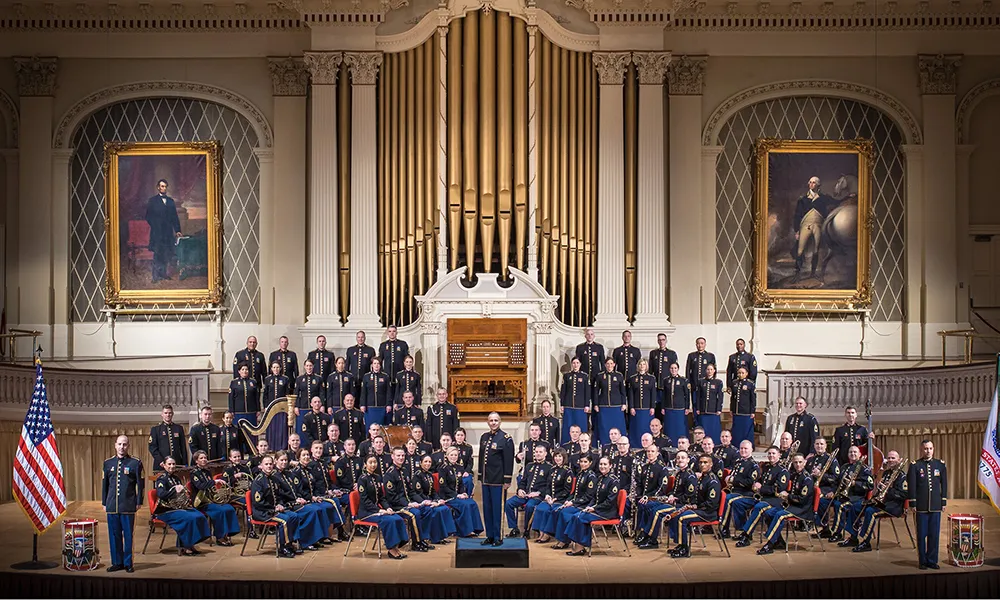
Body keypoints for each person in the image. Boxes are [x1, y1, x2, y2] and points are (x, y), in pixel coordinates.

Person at [841, 450, 908, 553]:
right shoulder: (886, 473)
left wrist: (888, 490)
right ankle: (853, 537)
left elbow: (903, 494)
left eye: (893, 458)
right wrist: (879, 490)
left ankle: (866, 543)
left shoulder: (902, 476)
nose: (890, 460)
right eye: (889, 458)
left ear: (899, 460)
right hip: (881, 503)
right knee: (855, 506)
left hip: (893, 506)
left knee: (870, 512)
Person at [558, 456, 621, 556]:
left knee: (579, 517)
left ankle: (579, 547)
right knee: (577, 516)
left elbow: (610, 502)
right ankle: (579, 546)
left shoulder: (614, 481)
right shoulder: (600, 478)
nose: (602, 466)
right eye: (601, 464)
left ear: (610, 466)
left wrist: (594, 508)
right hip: (597, 509)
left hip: (607, 512)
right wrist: (589, 506)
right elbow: (594, 498)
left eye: (605, 464)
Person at [754, 453, 814, 555]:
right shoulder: (796, 475)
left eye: (800, 462)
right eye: (795, 462)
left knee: (779, 515)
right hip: (792, 505)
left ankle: (770, 544)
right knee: (768, 512)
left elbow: (802, 500)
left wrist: (787, 496)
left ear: (804, 463)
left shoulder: (807, 479)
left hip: (802, 509)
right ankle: (778, 541)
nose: (798, 465)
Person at [637, 450, 697, 549]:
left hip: (683, 505)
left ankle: (652, 540)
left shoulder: (690, 475)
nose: (680, 460)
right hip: (674, 502)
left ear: (688, 460)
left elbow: (689, 496)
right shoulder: (679, 473)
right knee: (649, 506)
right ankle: (645, 533)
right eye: (678, 458)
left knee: (657, 512)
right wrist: (670, 495)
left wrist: (675, 499)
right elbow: (674, 490)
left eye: (683, 458)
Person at [667, 453, 723, 558]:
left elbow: (711, 504)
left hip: (708, 513)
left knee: (682, 518)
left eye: (705, 462)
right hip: (701, 510)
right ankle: (680, 544)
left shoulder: (713, 480)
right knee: (677, 514)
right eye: (701, 462)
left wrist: (695, 507)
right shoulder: (703, 478)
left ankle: (684, 548)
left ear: (711, 464)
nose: (702, 465)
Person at [153, 457, 211, 556]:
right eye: (169, 464)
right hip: (165, 510)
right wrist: (174, 490)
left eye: (173, 464)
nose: (172, 466)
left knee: (199, 515)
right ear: (164, 465)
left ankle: (191, 543)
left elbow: (181, 494)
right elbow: (161, 494)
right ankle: (186, 546)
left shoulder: (176, 478)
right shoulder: (161, 479)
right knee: (189, 519)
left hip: (177, 508)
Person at [102, 435, 143, 573]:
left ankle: (128, 563)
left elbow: (140, 485)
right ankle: (116, 562)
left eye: (124, 444)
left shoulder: (135, 463)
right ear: (115, 445)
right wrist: (104, 502)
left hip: (128, 505)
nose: (122, 447)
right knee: (114, 535)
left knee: (128, 536)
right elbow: (105, 485)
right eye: (119, 444)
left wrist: (139, 502)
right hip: (112, 505)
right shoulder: (108, 463)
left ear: (128, 446)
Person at [734, 447, 789, 548]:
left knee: (759, 507)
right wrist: (757, 483)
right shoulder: (766, 467)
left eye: (773, 453)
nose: (771, 456)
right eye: (769, 453)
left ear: (779, 455)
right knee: (738, 502)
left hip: (774, 500)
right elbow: (759, 479)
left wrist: (761, 488)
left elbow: (778, 489)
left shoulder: (782, 471)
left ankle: (746, 535)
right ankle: (741, 529)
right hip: (761, 497)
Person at [273, 453, 328, 551]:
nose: (284, 462)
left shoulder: (289, 473)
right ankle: (305, 542)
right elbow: (280, 493)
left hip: (296, 501)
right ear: (276, 460)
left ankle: (313, 539)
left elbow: (296, 489)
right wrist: (295, 500)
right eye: (281, 460)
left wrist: (300, 497)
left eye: (285, 460)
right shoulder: (274, 476)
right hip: (287, 504)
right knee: (311, 511)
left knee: (315, 509)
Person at [357, 455, 409, 559]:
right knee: (388, 521)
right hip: (367, 512)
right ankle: (391, 549)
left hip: (378, 510)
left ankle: (396, 546)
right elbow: (364, 500)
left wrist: (387, 508)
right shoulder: (362, 479)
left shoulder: (378, 477)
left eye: (374, 462)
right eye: (370, 462)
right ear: (365, 464)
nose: (373, 465)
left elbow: (381, 497)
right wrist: (379, 510)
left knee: (397, 518)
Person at [249, 454, 301, 558]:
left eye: (270, 464)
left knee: (294, 516)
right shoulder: (258, 481)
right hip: (263, 512)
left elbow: (279, 496)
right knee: (285, 520)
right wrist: (274, 508)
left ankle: (289, 543)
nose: (269, 466)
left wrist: (280, 505)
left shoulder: (274, 478)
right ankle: (283, 547)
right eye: (266, 464)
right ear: (261, 466)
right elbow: (258, 503)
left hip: (274, 509)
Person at [293, 447, 345, 544]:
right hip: (304, 500)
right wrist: (311, 497)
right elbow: (298, 490)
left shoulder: (309, 470)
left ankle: (325, 535)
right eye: (303, 455)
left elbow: (315, 486)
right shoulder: (296, 472)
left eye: (307, 455)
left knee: (328, 506)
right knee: (319, 509)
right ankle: (314, 538)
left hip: (314, 498)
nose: (306, 457)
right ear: (298, 457)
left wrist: (317, 496)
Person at [908, 440, 947, 570]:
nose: (928, 451)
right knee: (922, 534)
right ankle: (922, 561)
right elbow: (912, 486)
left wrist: (943, 501)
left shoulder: (940, 465)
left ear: (933, 449)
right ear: (921, 450)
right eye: (925, 448)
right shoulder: (915, 465)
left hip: (935, 505)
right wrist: (913, 502)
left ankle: (932, 560)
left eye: (930, 448)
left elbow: (944, 484)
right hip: (921, 506)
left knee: (934, 534)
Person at [189, 450, 240, 546]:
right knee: (220, 511)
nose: (204, 460)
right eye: (201, 458)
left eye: (205, 458)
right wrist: (214, 482)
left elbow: (211, 488)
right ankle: (219, 537)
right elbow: (200, 486)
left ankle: (228, 533)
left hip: (210, 500)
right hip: (201, 503)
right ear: (196, 461)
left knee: (229, 508)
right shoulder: (193, 473)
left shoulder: (207, 472)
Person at [478, 412, 514, 545]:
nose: (493, 422)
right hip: (486, 480)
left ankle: (498, 537)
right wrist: (481, 476)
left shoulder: (505, 438)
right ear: (488, 422)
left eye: (496, 420)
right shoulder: (484, 437)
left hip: (498, 481)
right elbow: (482, 458)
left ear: (500, 422)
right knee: (487, 509)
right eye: (491, 420)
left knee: (497, 509)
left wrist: (507, 480)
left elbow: (509, 460)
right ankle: (490, 536)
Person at [548, 454, 598, 550]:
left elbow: (588, 496)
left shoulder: (591, 476)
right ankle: (561, 539)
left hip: (584, 505)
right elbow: (574, 492)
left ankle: (564, 540)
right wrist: (568, 500)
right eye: (581, 462)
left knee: (564, 513)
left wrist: (573, 503)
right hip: (577, 502)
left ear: (590, 463)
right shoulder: (580, 474)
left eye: (585, 462)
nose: (583, 464)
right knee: (558, 510)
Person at [826, 446, 874, 544]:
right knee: (833, 502)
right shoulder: (844, 467)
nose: (853, 454)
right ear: (848, 455)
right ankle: (835, 531)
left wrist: (854, 483)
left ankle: (837, 533)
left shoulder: (864, 469)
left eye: (855, 452)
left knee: (839, 505)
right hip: (845, 496)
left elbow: (870, 485)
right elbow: (837, 483)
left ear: (859, 454)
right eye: (850, 452)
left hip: (858, 497)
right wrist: (833, 491)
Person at [793, 176, 837, 279]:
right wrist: (796, 231)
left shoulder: (823, 198)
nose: (811, 184)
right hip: (805, 225)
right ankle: (797, 274)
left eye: (814, 182)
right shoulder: (803, 199)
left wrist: (849, 197)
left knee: (816, 250)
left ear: (818, 185)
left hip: (818, 225)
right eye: (810, 182)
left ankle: (813, 273)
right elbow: (797, 215)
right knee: (800, 250)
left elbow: (836, 202)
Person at [505, 445, 552, 538]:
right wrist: (520, 490)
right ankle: (514, 528)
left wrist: (538, 493)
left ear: (545, 454)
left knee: (530, 506)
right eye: (536, 452)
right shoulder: (529, 465)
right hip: (525, 495)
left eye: (540, 452)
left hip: (538, 496)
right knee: (508, 503)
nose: (538, 454)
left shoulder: (549, 467)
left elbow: (549, 486)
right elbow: (523, 481)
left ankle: (526, 530)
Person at [530, 448, 575, 543]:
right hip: (550, 498)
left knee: (550, 510)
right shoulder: (552, 470)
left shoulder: (567, 471)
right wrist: (547, 495)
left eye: (560, 456)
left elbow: (567, 490)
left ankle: (547, 534)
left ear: (564, 458)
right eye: (556, 456)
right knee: (540, 508)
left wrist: (555, 498)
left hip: (561, 499)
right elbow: (548, 486)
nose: (557, 458)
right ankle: (541, 533)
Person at [410, 454, 458, 544]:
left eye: (429, 462)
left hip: (430, 501)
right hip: (420, 501)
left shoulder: (429, 475)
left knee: (444, 508)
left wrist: (438, 499)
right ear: (420, 463)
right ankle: (434, 538)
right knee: (437, 511)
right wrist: (430, 502)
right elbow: (418, 493)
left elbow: (433, 491)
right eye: (425, 462)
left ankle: (443, 535)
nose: (428, 464)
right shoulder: (417, 475)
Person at [439, 446, 485, 537]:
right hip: (448, 496)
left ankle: (475, 529)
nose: (453, 457)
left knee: (472, 503)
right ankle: (465, 531)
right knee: (465, 505)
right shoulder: (443, 468)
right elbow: (443, 487)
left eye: (455, 455)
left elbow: (461, 484)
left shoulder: (460, 467)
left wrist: (463, 492)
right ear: (447, 456)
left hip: (459, 495)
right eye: (451, 455)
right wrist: (457, 495)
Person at [631, 444, 671, 548]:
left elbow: (661, 488)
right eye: (648, 451)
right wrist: (638, 496)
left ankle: (649, 535)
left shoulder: (662, 469)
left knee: (647, 506)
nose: (650, 453)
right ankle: (642, 532)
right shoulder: (644, 467)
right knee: (640, 503)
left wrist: (649, 497)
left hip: (658, 498)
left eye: (652, 451)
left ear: (657, 454)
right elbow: (639, 484)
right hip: (645, 498)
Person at [144, 179, 182, 283]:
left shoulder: (170, 201)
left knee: (166, 253)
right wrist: (156, 225)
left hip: (168, 233)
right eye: (161, 186)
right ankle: (155, 276)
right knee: (157, 254)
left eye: (165, 186)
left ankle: (164, 274)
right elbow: (148, 216)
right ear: (158, 187)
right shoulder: (152, 201)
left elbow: (175, 216)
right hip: (157, 233)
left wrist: (177, 230)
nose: (163, 188)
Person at [720, 440, 760, 539]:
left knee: (728, 499)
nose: (743, 450)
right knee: (723, 496)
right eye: (741, 448)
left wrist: (734, 480)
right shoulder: (738, 462)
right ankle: (730, 528)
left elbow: (749, 483)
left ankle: (726, 528)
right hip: (735, 491)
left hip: (746, 493)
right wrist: (728, 478)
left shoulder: (753, 465)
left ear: (751, 450)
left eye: (745, 448)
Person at [806, 437, 841, 532]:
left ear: (825, 446)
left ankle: (823, 525)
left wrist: (821, 474)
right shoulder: (810, 460)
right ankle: (806, 521)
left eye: (821, 444)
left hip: (827, 488)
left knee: (820, 499)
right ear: (814, 446)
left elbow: (836, 478)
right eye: (817, 444)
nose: (819, 446)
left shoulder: (831, 459)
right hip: (812, 488)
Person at [594, 358, 627, 446]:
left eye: (611, 363)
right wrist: (596, 404)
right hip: (603, 405)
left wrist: (624, 403)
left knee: (618, 425)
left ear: (614, 364)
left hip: (617, 405)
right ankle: (605, 444)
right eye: (607, 364)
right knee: (604, 426)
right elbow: (596, 391)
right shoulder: (600, 376)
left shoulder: (619, 375)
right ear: (605, 365)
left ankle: (620, 443)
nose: (609, 365)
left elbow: (623, 391)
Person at [229, 363, 261, 452]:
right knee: (240, 432)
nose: (245, 371)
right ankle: (241, 450)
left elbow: (256, 397)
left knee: (252, 432)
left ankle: (252, 449)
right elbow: (231, 398)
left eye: (246, 369)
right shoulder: (234, 382)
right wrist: (231, 411)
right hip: (238, 412)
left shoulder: (253, 382)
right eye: (242, 369)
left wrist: (258, 409)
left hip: (251, 412)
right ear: (239, 371)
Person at [560, 357, 591, 443]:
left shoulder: (584, 376)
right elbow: (563, 391)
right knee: (568, 426)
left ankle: (582, 443)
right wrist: (562, 404)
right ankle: (566, 443)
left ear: (580, 364)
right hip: (568, 405)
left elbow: (587, 392)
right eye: (574, 363)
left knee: (581, 426)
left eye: (577, 363)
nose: (575, 365)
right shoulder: (567, 376)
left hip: (580, 407)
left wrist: (587, 405)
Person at [263, 360, 293, 451]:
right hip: (271, 409)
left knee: (282, 427)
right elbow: (265, 395)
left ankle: (282, 447)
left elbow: (287, 394)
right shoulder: (267, 379)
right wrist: (265, 406)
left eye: (277, 367)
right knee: (271, 427)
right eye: (274, 367)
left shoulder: (285, 379)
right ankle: (271, 446)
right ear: (271, 369)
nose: (276, 369)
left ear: (280, 368)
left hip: (282, 408)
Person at [148, 404, 187, 471]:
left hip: (177, 464)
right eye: (166, 413)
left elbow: (183, 448)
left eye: (170, 413)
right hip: (161, 465)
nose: (168, 415)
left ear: (172, 414)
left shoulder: (178, 428)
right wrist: (161, 461)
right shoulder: (156, 429)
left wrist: (185, 463)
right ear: (162, 414)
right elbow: (152, 447)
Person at [649, 333, 679, 418]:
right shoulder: (653, 353)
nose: (661, 342)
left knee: (666, 405)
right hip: (656, 385)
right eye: (659, 340)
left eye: (663, 340)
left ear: (666, 341)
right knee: (657, 406)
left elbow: (674, 368)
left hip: (667, 385)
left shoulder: (671, 353)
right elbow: (651, 369)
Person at [661, 362, 690, 445]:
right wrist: (663, 407)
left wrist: (687, 407)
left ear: (678, 369)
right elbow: (664, 395)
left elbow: (687, 395)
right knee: (669, 428)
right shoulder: (666, 380)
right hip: (669, 408)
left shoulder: (683, 380)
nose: (673, 370)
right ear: (669, 369)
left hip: (680, 408)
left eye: (675, 368)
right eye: (672, 368)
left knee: (679, 428)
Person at [628, 358, 657, 440]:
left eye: (644, 364)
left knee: (646, 427)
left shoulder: (651, 378)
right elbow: (631, 394)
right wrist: (631, 407)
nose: (642, 366)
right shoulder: (633, 378)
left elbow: (653, 394)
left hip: (647, 408)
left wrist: (652, 407)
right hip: (636, 408)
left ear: (646, 366)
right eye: (640, 364)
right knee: (636, 427)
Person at [293, 360, 323, 439]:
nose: (309, 367)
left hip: (315, 408)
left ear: (313, 366)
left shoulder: (318, 378)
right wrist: (296, 406)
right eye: (307, 366)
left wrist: (322, 405)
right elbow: (296, 393)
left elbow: (322, 393)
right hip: (303, 407)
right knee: (302, 429)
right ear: (304, 367)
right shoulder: (299, 379)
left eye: (310, 366)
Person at [695, 363, 724, 444]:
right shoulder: (701, 381)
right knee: (704, 430)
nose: (709, 371)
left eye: (711, 369)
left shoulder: (718, 382)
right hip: (703, 410)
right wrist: (697, 408)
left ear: (714, 371)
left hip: (713, 410)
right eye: (708, 369)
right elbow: (698, 396)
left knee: (713, 430)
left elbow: (720, 397)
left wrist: (719, 409)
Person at [360, 357, 392, 429]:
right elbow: (363, 392)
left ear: (380, 365)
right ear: (372, 365)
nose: (376, 365)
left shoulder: (385, 376)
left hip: (382, 406)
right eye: (375, 363)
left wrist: (389, 404)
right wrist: (362, 404)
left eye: (378, 363)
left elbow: (388, 392)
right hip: (369, 408)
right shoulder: (366, 376)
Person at [730, 366, 756, 447]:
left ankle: (747, 446)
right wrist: (731, 409)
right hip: (737, 411)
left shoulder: (750, 384)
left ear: (746, 374)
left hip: (746, 412)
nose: (740, 374)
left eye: (742, 373)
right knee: (737, 430)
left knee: (746, 431)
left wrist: (752, 411)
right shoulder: (734, 383)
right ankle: (736, 445)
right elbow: (733, 398)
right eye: (739, 373)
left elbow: (753, 399)